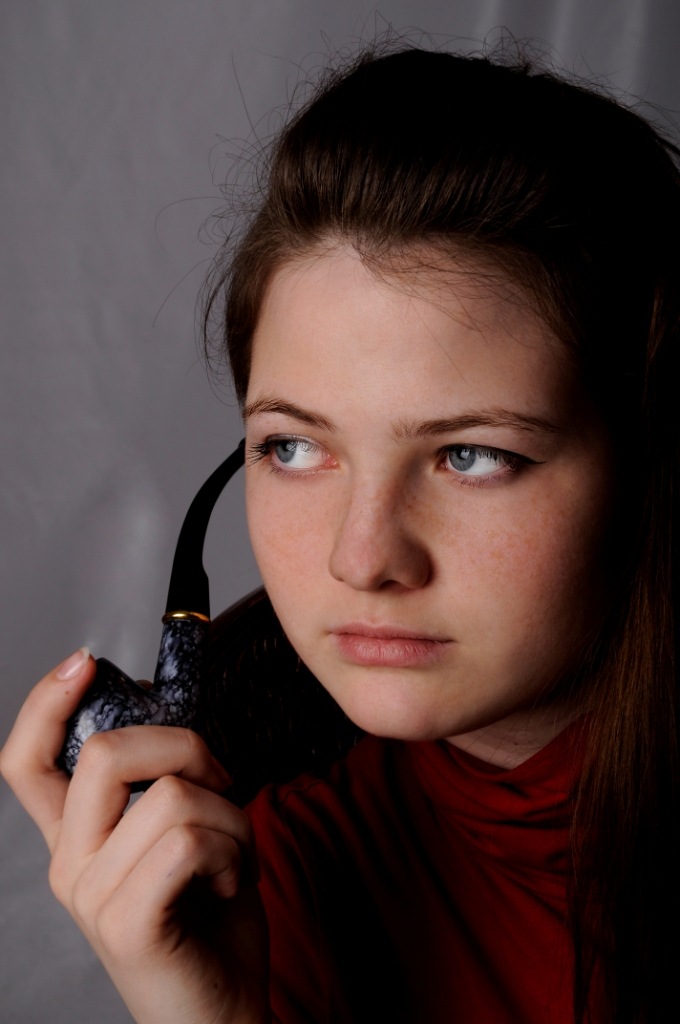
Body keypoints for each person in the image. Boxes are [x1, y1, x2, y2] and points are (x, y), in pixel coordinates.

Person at [1, 42, 679, 1024]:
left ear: (648, 466)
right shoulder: (257, 865)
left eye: (470, 455)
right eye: (292, 448)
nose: (360, 558)